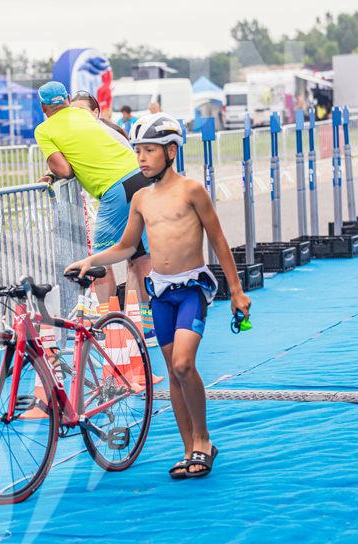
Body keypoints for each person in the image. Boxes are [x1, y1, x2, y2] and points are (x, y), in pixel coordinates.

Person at [65, 112, 251, 480]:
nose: (142, 158)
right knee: (172, 372)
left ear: (171, 151)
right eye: (138, 152)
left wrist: (237, 292)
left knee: (183, 364)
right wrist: (91, 260)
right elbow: (125, 246)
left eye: (150, 150)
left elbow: (218, 240)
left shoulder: (192, 191)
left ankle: (203, 439)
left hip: (191, 289)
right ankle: (188, 448)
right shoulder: (140, 199)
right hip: (160, 293)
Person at [34, 81, 157, 345]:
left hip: (115, 188)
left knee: (98, 263)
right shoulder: (83, 114)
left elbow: (64, 170)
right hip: (141, 177)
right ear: (67, 99)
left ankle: (109, 328)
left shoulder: (44, 129)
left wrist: (51, 172)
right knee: (140, 257)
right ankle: (146, 328)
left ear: (43, 107)